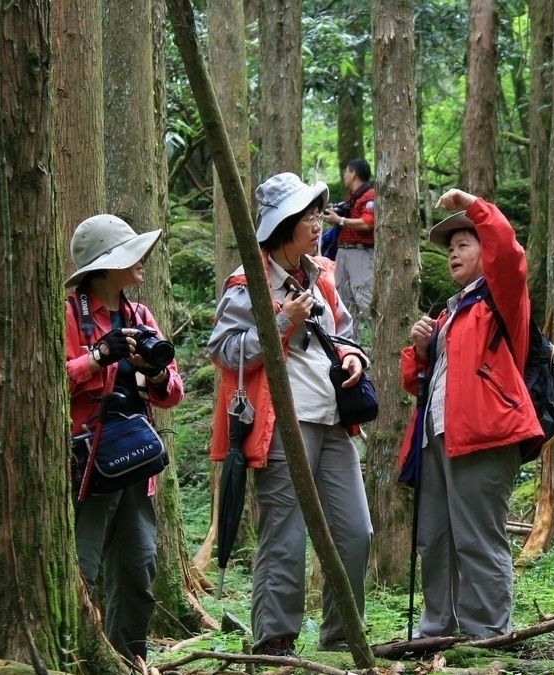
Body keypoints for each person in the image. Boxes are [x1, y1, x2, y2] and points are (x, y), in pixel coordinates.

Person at [208, 172, 372, 656]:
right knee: (286, 532)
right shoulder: (249, 282)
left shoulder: (320, 273)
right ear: (284, 226)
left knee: (355, 530)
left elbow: (343, 332)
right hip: (281, 424)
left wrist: (353, 356)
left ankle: (343, 639)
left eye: (319, 214)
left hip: (333, 420)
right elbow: (224, 350)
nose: (319, 223)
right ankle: (275, 640)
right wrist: (283, 321)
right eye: (310, 217)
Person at [398, 188, 544, 638]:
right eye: (450, 248)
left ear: (484, 249)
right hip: (437, 436)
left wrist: (472, 203)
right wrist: (421, 350)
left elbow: (510, 253)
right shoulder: (450, 312)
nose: (453, 254)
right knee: (434, 538)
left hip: (484, 433)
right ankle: (438, 629)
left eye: (464, 244)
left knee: (478, 537)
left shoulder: (501, 297)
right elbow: (418, 383)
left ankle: (486, 634)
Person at [64, 214, 184, 663]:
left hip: (135, 459)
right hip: (89, 464)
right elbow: (52, 384)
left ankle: (128, 659)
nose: (142, 262)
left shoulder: (141, 315)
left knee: (138, 567)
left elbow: (172, 391)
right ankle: (77, 658)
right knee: (83, 566)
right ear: (105, 266)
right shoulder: (71, 315)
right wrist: (97, 357)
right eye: (130, 254)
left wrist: (153, 370)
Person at [323, 158, 376, 334]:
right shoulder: (352, 199)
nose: (344, 176)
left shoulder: (370, 195)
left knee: (365, 300)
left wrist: (341, 220)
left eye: (346, 172)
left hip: (360, 254)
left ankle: (379, 343)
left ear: (353, 174)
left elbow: (369, 222)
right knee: (344, 304)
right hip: (343, 252)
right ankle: (351, 348)